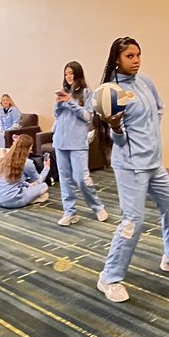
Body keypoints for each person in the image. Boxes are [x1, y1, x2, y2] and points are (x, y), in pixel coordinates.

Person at [96, 36, 169, 303]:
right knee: (133, 221)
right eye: (130, 56)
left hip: (154, 162)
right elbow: (116, 137)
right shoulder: (111, 91)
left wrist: (148, 135)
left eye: (138, 55)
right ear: (117, 59)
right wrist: (117, 128)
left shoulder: (146, 81)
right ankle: (109, 277)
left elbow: (159, 109)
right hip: (131, 166)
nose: (136, 61)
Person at [53, 61, 108, 227]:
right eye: (66, 74)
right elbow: (57, 116)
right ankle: (69, 212)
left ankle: (98, 206)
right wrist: (58, 104)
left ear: (77, 74)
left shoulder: (86, 93)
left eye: (71, 73)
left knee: (81, 178)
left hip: (77, 142)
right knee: (65, 179)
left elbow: (87, 117)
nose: (68, 77)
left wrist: (70, 102)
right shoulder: (64, 92)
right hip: (60, 141)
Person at [0, 135, 50, 209]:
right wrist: (47, 167)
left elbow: (12, 181)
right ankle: (30, 199)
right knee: (44, 186)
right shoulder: (27, 163)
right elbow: (39, 180)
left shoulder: (5, 159)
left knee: (29, 185)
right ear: (28, 147)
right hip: (11, 199)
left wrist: (28, 185)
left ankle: (29, 196)